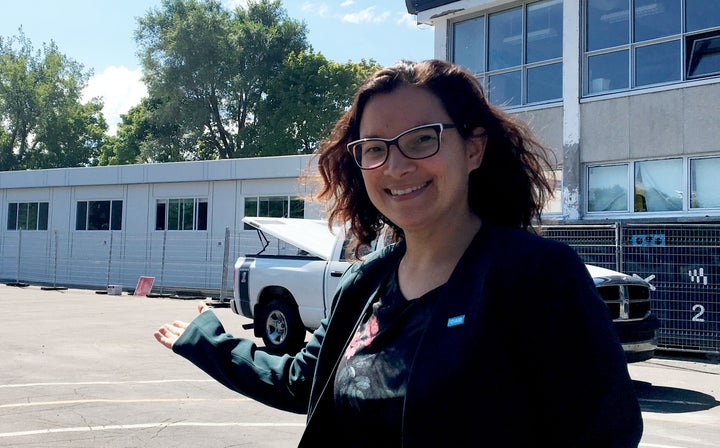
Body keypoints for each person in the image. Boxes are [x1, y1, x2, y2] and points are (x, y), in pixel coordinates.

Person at [155, 59, 643, 447]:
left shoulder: (536, 276)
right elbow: (303, 383)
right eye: (375, 148)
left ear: (473, 150)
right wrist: (206, 339)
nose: (397, 166)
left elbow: (606, 433)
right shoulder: (367, 281)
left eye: (421, 140)